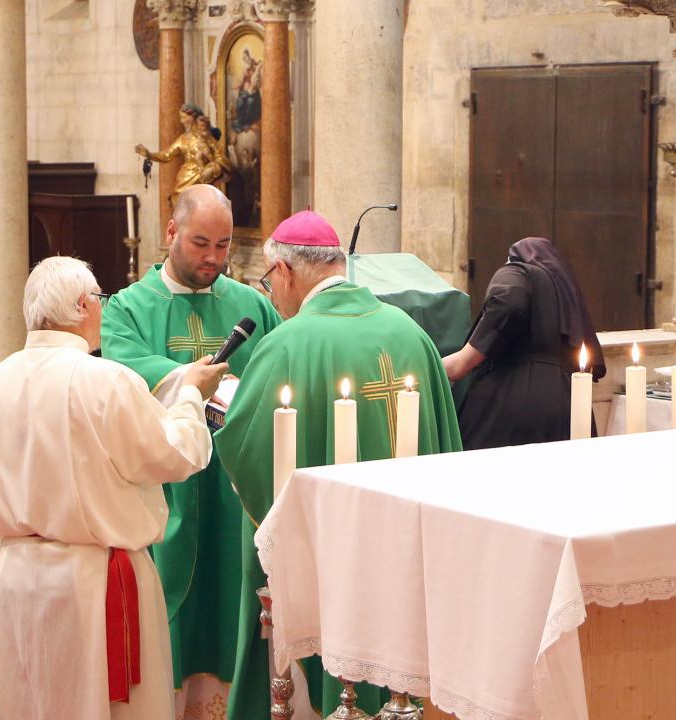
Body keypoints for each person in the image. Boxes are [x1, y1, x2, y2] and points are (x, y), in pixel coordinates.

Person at [215, 210, 463, 719]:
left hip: (326, 554)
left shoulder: (287, 343)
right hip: (406, 546)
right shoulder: (410, 334)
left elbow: (246, 448)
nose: (271, 295)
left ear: (283, 273)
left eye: (268, 281)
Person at [0, 256, 228, 719]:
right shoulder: (105, 380)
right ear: (82, 306)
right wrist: (190, 393)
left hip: (16, 579)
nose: (103, 309)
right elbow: (176, 454)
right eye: (100, 300)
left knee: (25, 703)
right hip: (92, 581)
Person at [101, 184, 281, 712]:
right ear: (172, 232)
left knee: (235, 606)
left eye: (224, 246)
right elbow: (121, 368)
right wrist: (189, 381)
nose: (212, 259)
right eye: (201, 243)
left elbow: (277, 369)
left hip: (236, 494)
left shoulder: (250, 304)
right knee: (171, 618)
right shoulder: (127, 308)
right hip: (169, 492)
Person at [442, 236, 606, 449]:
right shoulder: (566, 294)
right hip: (569, 402)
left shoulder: (519, 271)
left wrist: (464, 360)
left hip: (510, 401)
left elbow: (509, 303)